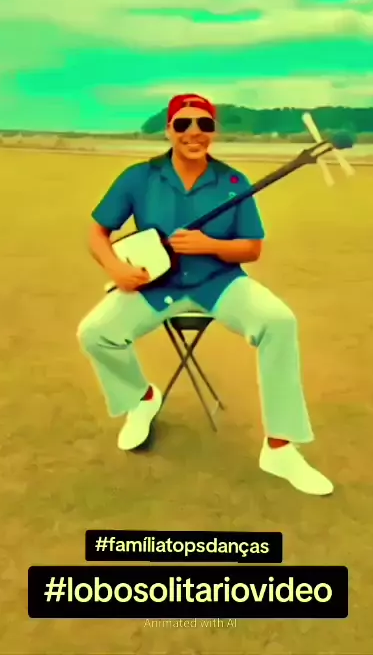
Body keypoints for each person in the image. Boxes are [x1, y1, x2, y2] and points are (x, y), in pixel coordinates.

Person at [77, 94, 333, 496]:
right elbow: (98, 232)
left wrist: (209, 245)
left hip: (219, 283)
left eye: (204, 124)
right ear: (169, 130)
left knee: (279, 321)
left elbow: (251, 248)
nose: (194, 132)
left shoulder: (233, 182)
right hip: (156, 286)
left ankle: (280, 449)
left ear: (214, 131)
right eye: (183, 124)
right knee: (95, 332)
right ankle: (141, 398)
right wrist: (115, 268)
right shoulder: (140, 177)